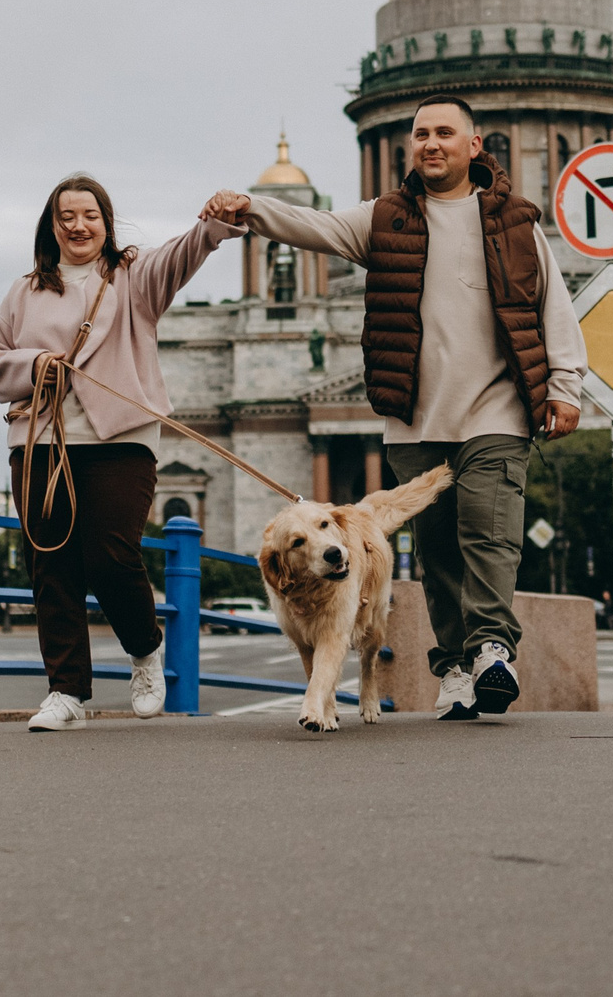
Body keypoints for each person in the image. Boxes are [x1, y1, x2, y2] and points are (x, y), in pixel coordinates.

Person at [203, 96, 585, 720]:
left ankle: (492, 648)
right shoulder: (385, 221)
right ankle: (456, 667)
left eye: (445, 133)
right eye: (421, 134)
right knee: (435, 552)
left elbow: (554, 307)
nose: (431, 143)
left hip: (497, 409)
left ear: (476, 144)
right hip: (416, 417)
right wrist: (251, 208)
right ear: (406, 145)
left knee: (488, 532)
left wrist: (564, 388)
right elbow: (314, 227)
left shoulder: (517, 222)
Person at [0, 173, 241, 732]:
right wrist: (34, 366)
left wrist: (215, 222)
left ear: (106, 222)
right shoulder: (25, 291)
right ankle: (66, 692)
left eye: (90, 216)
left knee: (110, 553)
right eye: (66, 217)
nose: (78, 225)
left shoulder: (132, 276)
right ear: (51, 227)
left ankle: (145, 650)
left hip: (120, 438)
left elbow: (184, 253)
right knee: (50, 564)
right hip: (43, 441)